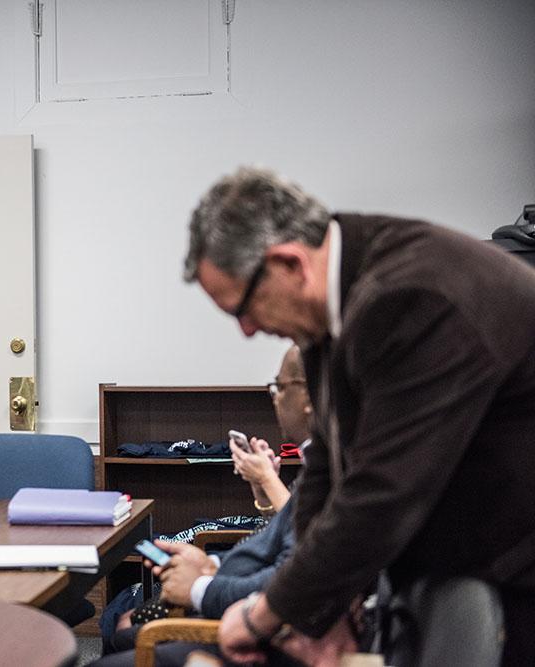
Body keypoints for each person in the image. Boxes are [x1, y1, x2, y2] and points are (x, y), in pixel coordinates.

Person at [184, 167, 535, 665]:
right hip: (459, 560)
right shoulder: (337, 295)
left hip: (514, 565)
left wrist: (267, 613)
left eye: (243, 307)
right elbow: (327, 467)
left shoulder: (409, 296)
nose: (246, 329)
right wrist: (322, 612)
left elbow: (382, 492)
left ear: (289, 263)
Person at [93, 346, 312, 667]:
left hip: (256, 624)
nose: (274, 397)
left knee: (122, 633)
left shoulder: (334, 473)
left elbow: (292, 572)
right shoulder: (320, 464)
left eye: (280, 386)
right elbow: (283, 536)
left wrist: (202, 585)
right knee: (122, 628)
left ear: (308, 398)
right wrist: (211, 562)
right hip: (234, 590)